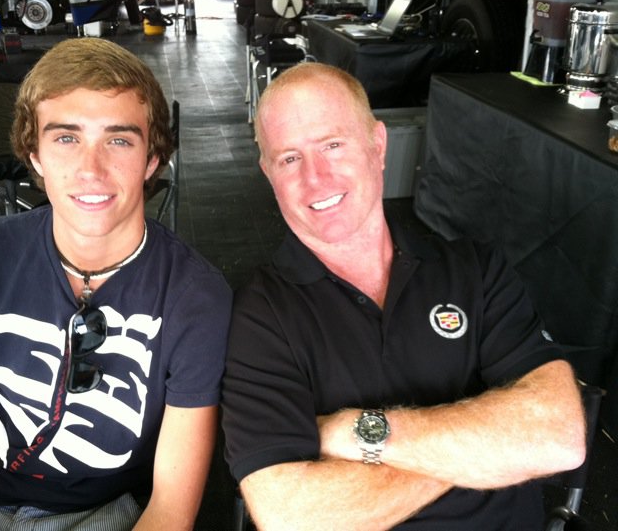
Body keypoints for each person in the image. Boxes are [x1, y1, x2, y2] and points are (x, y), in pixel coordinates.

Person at [220, 62, 587, 530]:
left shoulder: (475, 269)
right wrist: (482, 445)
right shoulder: (256, 316)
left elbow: (557, 435)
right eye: (289, 158)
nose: (315, 178)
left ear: (377, 145)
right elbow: (291, 514)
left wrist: (359, 432)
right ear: (268, 172)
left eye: (332, 145)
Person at [0, 38, 231, 531]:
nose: (91, 170)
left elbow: (170, 505)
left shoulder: (196, 297)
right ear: (34, 155)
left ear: (152, 159)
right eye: (66, 138)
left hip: (102, 513)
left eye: (119, 139)